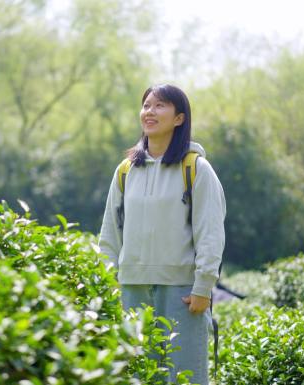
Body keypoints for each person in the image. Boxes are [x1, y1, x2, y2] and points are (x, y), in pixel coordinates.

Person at [98, 84, 226, 385]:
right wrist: (107, 284)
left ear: (179, 118)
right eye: (146, 105)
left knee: (185, 378)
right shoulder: (126, 170)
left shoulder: (196, 168)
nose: (149, 112)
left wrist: (203, 287)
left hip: (182, 294)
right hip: (132, 291)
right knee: (137, 377)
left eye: (159, 106)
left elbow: (210, 231)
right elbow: (109, 234)